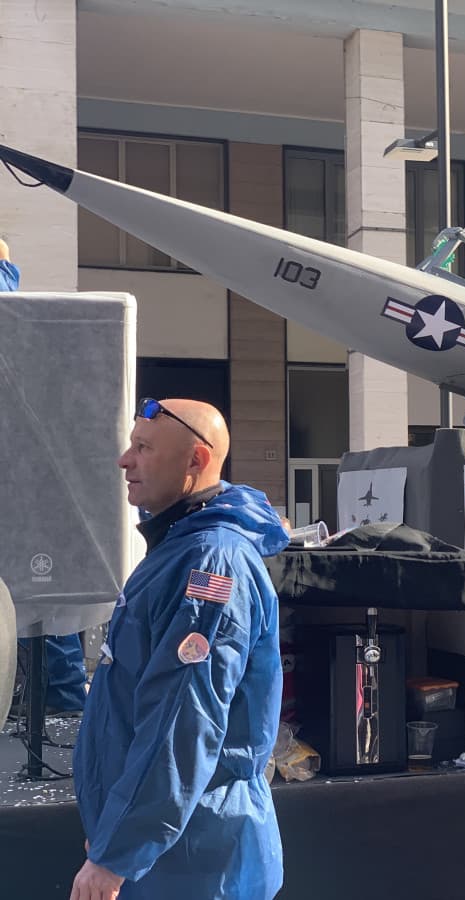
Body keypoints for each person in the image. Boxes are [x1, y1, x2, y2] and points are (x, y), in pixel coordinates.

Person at [71, 398, 288, 900]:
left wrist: (116, 853)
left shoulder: (211, 565)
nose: (126, 461)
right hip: (168, 851)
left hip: (196, 859)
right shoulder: (179, 550)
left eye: (143, 448)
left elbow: (181, 725)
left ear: (196, 461)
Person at [0, 240, 88, 715]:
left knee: (36, 603)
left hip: (25, 484)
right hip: (38, 486)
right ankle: (56, 699)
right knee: (44, 605)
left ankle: (52, 699)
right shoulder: (23, 322)